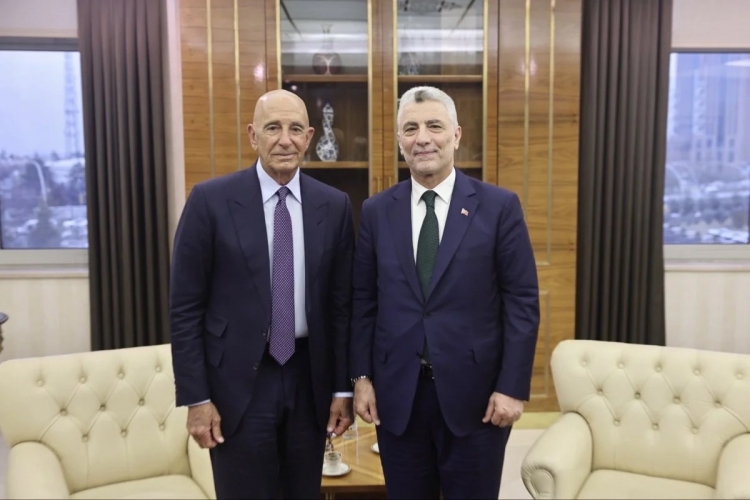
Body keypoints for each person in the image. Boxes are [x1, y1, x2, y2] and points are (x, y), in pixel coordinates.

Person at [350, 86, 540, 499]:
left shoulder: (498, 207)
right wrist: (361, 378)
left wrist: (512, 386)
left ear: (456, 135)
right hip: (398, 396)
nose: (422, 138)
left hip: (478, 398)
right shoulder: (376, 211)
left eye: (434, 126)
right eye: (410, 129)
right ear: (399, 140)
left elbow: (522, 303)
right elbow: (363, 302)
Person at [170, 89, 354, 499]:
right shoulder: (210, 201)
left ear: (309, 137)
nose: (284, 140)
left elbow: (342, 307)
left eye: (294, 129)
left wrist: (342, 389)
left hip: (309, 379)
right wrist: (196, 398)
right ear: (253, 136)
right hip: (238, 384)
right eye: (273, 128)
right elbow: (185, 309)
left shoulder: (335, 205)